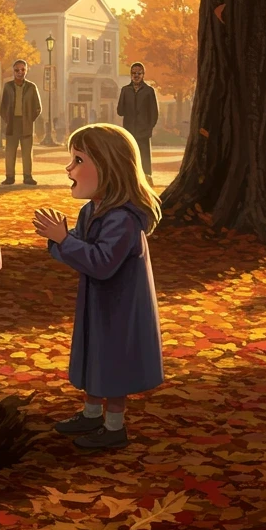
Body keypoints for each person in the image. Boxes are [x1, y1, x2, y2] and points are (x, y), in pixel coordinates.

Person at [31, 124, 163, 450]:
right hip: (97, 303)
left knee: (114, 363)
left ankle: (114, 426)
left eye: (78, 160)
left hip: (120, 308)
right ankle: (91, 414)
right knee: (94, 356)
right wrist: (61, 241)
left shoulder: (123, 219)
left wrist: (64, 240)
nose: (69, 168)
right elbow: (80, 253)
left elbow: (102, 263)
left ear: (108, 167)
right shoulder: (90, 210)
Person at [0, 59, 41, 185]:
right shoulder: (8, 87)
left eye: (23, 69)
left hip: (26, 123)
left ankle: (27, 177)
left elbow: (38, 107)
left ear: (26, 71)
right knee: (10, 152)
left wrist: (29, 119)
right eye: (17, 70)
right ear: (13, 71)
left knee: (27, 152)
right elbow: (2, 107)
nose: (20, 72)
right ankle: (9, 177)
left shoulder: (32, 87)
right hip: (12, 124)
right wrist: (7, 120)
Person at [116, 62, 160, 183]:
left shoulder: (149, 91)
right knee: (129, 154)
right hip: (129, 129)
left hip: (143, 129)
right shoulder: (125, 90)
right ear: (130, 74)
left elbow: (154, 112)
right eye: (134, 73)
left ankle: (147, 177)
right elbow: (120, 111)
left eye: (139, 73)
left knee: (144, 155)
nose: (136, 75)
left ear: (143, 75)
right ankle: (129, 178)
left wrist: (149, 127)